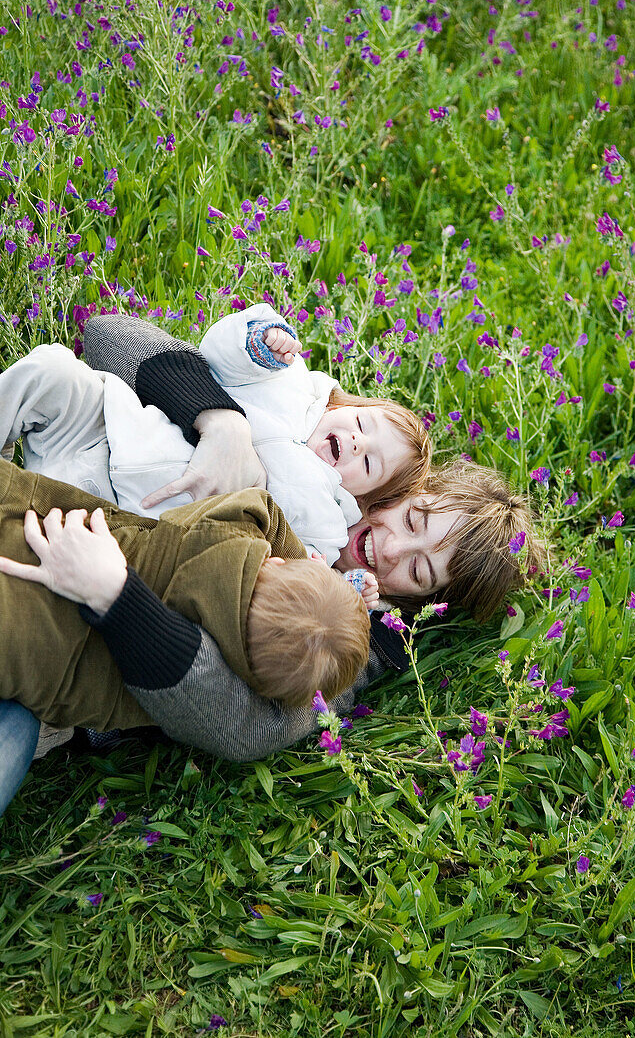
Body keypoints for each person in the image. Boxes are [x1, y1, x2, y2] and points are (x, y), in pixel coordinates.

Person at [0, 313, 542, 815]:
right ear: (409, 490)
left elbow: (245, 727)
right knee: (52, 373)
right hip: (84, 475)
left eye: (419, 572)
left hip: (73, 625)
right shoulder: (316, 444)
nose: (392, 549)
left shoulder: (353, 637)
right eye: (414, 521)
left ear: (425, 602)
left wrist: (118, 599)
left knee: (14, 732)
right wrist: (222, 425)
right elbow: (110, 336)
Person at [4, 301, 431, 567]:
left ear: (362, 497)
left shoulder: (327, 515)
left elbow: (300, 563)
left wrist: (334, 582)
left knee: (37, 548)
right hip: (113, 432)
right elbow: (218, 357)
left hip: (129, 516)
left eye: (369, 463)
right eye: (362, 424)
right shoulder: (290, 384)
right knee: (51, 370)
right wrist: (260, 342)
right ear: (346, 406)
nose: (358, 443)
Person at [0, 460, 370, 728]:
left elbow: (262, 505)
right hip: (25, 648)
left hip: (36, 523)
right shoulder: (194, 683)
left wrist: (299, 560)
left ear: (275, 564)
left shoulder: (221, 533)